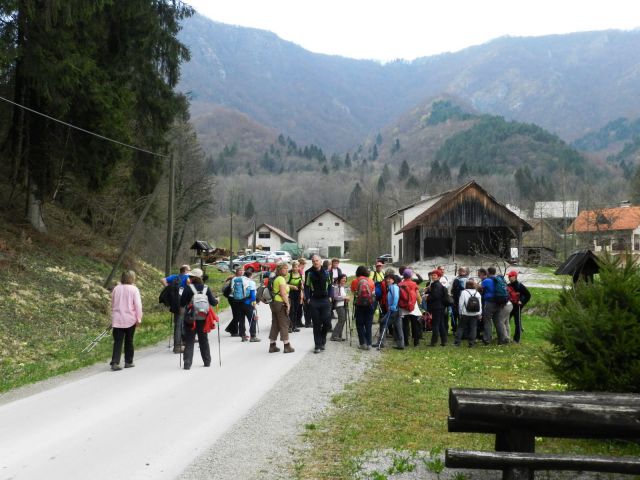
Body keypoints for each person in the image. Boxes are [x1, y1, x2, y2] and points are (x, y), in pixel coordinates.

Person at [179, 268, 218, 370]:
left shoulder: (188, 288)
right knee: (203, 340)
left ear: (192, 277)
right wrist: (217, 300)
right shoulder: (206, 288)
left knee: (189, 341)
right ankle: (207, 361)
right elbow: (213, 302)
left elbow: (182, 303)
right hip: (204, 318)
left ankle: (187, 364)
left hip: (190, 318)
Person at [110, 270, 142, 371]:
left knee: (118, 341)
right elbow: (137, 305)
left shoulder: (116, 288)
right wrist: (139, 318)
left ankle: (115, 362)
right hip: (130, 319)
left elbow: (113, 302)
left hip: (117, 318)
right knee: (129, 340)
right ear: (132, 278)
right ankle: (128, 361)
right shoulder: (134, 289)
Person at [305, 255, 333, 353]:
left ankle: (323, 340)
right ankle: (317, 345)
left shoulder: (327, 272)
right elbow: (306, 287)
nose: (315, 262)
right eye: (313, 261)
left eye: (317, 261)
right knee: (316, 324)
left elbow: (330, 286)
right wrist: (308, 298)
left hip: (325, 300)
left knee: (326, 323)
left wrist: (330, 296)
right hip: (314, 301)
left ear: (320, 262)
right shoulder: (309, 273)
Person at [161, 264, 190, 353]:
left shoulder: (174, 276)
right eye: (189, 270)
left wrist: (168, 287)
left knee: (178, 322)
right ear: (185, 270)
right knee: (180, 323)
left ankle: (181, 342)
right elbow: (190, 285)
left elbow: (162, 280)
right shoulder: (187, 277)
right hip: (182, 302)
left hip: (174, 301)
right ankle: (178, 346)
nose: (190, 271)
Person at [269, 262, 295, 353]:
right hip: (280, 303)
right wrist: (287, 304)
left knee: (275, 323)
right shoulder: (281, 279)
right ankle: (287, 346)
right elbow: (283, 293)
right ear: (280, 270)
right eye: (285, 268)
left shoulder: (276, 278)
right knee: (284, 323)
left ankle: (272, 345)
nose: (287, 270)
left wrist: (292, 286)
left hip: (274, 303)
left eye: (287, 268)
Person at [228, 267, 259, 342]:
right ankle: (253, 336)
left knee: (241, 320)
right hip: (247, 303)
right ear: (250, 276)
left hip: (238, 302)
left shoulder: (235, 280)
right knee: (252, 319)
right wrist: (254, 304)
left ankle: (243, 336)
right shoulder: (250, 282)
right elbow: (252, 295)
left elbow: (232, 291)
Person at [480, 266, 509, 345]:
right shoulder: (499, 279)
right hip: (499, 302)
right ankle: (501, 339)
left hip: (489, 303)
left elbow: (479, 289)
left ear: (488, 272)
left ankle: (487, 340)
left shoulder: (487, 281)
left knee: (487, 321)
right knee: (498, 321)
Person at [351, 265, 375, 350]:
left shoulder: (355, 281)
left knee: (360, 324)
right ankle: (369, 344)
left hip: (359, 305)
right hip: (370, 304)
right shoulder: (371, 281)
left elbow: (353, 291)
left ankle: (362, 343)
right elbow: (373, 292)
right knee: (368, 324)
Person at [399, 268, 422, 347]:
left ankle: (406, 342)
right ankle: (416, 342)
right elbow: (417, 295)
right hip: (413, 307)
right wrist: (419, 302)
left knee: (405, 325)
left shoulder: (400, 284)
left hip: (403, 307)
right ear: (411, 275)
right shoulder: (414, 284)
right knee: (414, 325)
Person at [455, 280, 482, 347]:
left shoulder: (464, 292)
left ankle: (457, 342)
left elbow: (461, 304)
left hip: (465, 313)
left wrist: (460, 312)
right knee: (473, 328)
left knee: (461, 327)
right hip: (475, 313)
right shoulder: (477, 293)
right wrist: (480, 313)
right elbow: (480, 305)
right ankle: (471, 343)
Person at [507, 271, 531, 343]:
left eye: (511, 276)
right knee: (506, 321)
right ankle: (505, 337)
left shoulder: (520, 286)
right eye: (509, 276)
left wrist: (522, 302)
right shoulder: (508, 285)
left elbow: (528, 295)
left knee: (517, 323)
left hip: (517, 307)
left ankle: (516, 340)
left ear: (515, 277)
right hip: (510, 306)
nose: (509, 277)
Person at [426, 269, 447, 346]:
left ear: (438, 277)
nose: (432, 276)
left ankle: (434, 342)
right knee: (441, 324)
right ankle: (443, 341)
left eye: (434, 275)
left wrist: (427, 297)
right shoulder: (435, 284)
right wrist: (428, 291)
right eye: (432, 275)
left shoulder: (436, 285)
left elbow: (436, 296)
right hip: (440, 307)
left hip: (436, 307)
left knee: (435, 324)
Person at [385, 273, 403, 349]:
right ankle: (401, 345)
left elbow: (396, 296)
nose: (388, 280)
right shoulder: (392, 287)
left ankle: (380, 343)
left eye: (390, 279)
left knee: (383, 323)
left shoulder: (393, 287)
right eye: (387, 279)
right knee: (398, 327)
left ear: (393, 280)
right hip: (397, 310)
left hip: (394, 310)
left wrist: (393, 306)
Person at [450, 267, 470, 335]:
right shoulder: (468, 279)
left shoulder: (457, 279)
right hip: (463, 299)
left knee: (456, 315)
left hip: (457, 299)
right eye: (460, 271)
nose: (460, 272)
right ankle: (461, 330)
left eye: (461, 271)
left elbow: (452, 289)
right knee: (461, 314)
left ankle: (456, 329)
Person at [330, 274, 349, 341]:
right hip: (339, 305)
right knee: (341, 320)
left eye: (345, 278)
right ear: (339, 279)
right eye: (343, 278)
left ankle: (338, 335)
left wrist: (347, 298)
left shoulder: (344, 287)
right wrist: (344, 298)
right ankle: (334, 336)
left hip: (344, 305)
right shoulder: (336, 287)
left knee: (343, 320)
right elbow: (335, 297)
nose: (344, 279)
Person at [287, 260, 304, 332]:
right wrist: (292, 286)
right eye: (294, 267)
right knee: (291, 310)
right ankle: (289, 327)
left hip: (297, 294)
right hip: (290, 294)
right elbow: (284, 284)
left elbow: (302, 286)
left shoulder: (301, 275)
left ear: (298, 267)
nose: (295, 268)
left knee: (296, 310)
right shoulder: (289, 274)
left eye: (296, 267)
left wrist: (302, 287)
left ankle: (294, 326)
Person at [298, 258, 312, 328]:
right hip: (301, 291)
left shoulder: (302, 271)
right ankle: (306, 322)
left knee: (302, 307)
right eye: (303, 264)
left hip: (302, 290)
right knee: (304, 307)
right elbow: (301, 281)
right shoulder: (300, 270)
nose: (304, 266)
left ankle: (300, 322)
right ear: (301, 264)